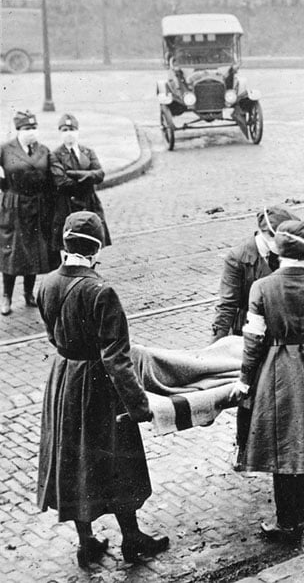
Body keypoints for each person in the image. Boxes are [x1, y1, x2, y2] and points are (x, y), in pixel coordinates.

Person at [35, 211, 168, 568]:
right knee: (117, 460)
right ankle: (133, 539)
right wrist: (139, 406)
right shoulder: (101, 291)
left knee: (74, 461)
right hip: (98, 388)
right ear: (96, 250)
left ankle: (86, 542)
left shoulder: (44, 283)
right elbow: (117, 358)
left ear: (65, 244)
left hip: (64, 381)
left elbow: (52, 336)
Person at [229, 219, 304, 546]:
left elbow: (253, 340)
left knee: (282, 443)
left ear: (278, 248)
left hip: (278, 370)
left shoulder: (262, 287)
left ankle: (283, 522)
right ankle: (297, 521)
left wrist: (246, 379)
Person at [211, 206, 299, 343]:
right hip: (249, 331)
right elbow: (227, 306)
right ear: (266, 234)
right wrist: (214, 349)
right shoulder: (238, 257)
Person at [0, 110, 55, 316]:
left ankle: (28, 293)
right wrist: (5, 187)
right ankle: (6, 296)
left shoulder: (43, 150)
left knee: (33, 251)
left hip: (37, 206)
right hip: (14, 206)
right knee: (12, 252)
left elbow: (50, 178)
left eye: (33, 128)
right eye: (26, 128)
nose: (31, 132)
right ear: (18, 130)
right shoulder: (6, 149)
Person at [49, 113, 112, 253]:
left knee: (92, 240)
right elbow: (62, 182)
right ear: (60, 133)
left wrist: (74, 174)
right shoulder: (55, 155)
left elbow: (100, 174)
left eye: (72, 130)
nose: (69, 134)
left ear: (77, 131)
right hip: (67, 204)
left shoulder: (88, 152)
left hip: (89, 202)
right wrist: (88, 177)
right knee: (68, 245)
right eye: (65, 130)